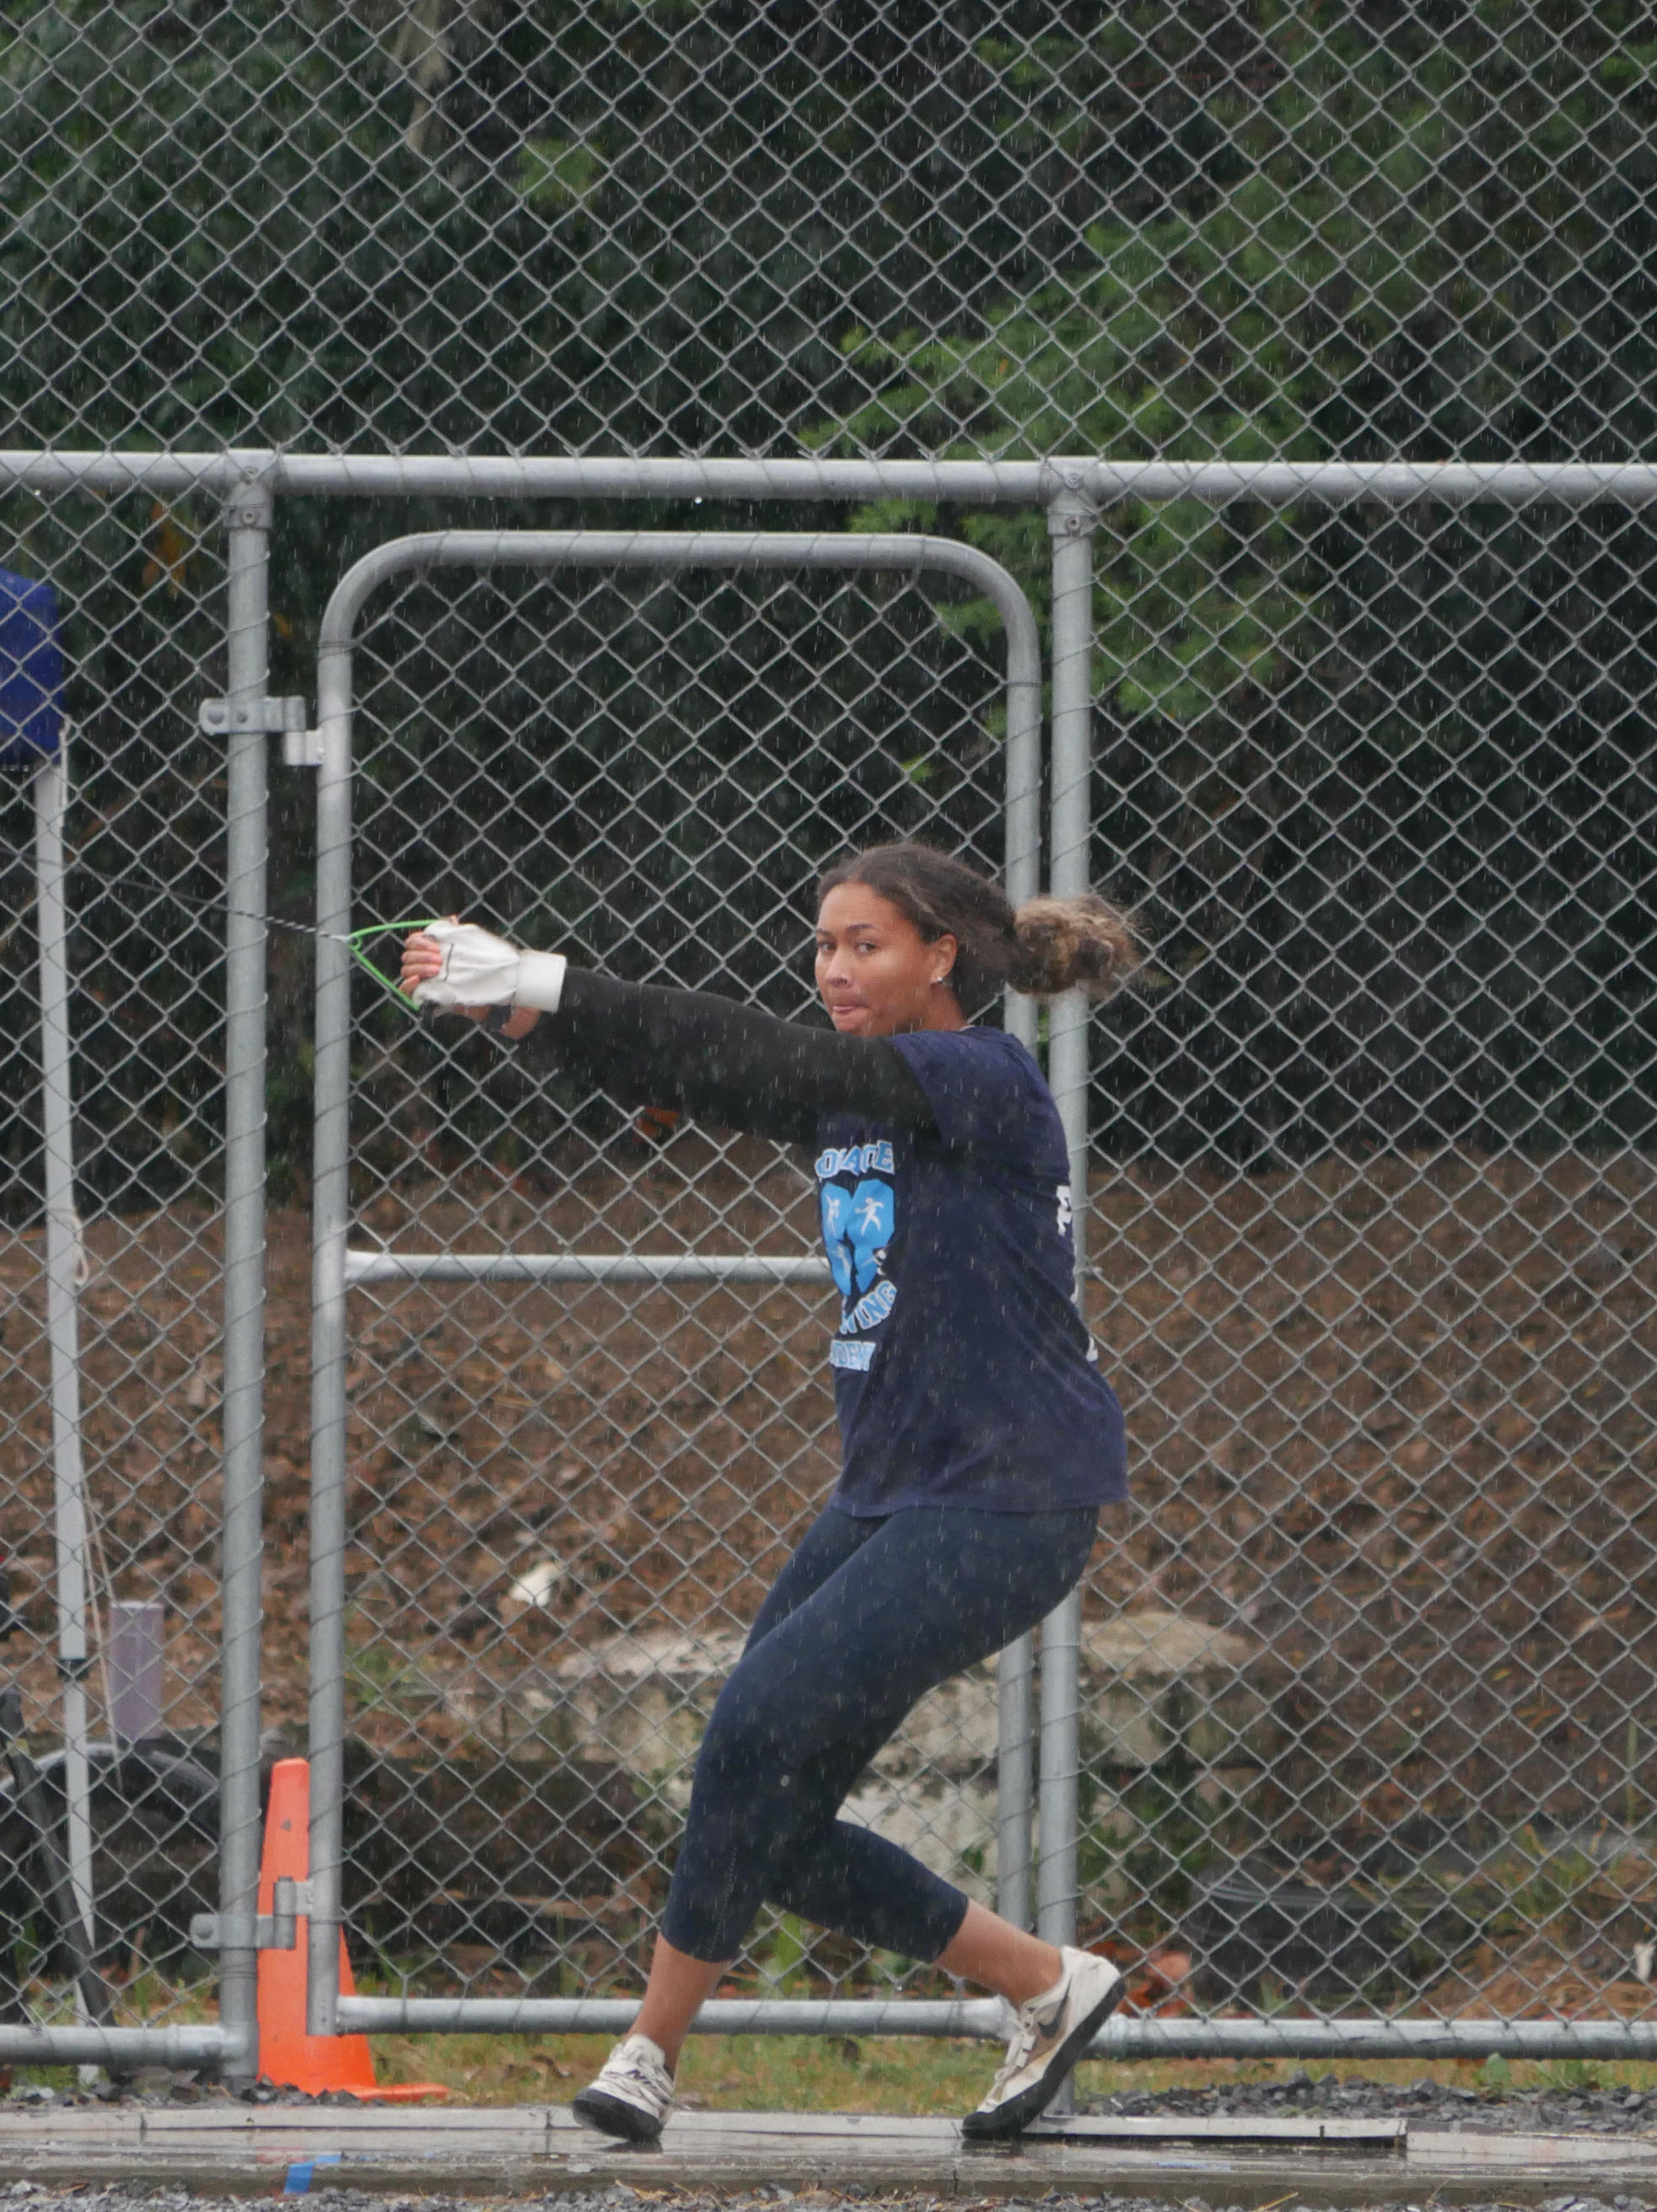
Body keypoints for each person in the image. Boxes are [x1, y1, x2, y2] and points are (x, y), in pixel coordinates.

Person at [397, 842, 1142, 2144]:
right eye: (824, 945)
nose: (834, 969)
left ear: (941, 957)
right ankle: (1038, 1984)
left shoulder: (979, 1075)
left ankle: (650, 2054)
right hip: (890, 1492)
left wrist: (550, 977)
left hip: (1009, 1498)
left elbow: (765, 1056)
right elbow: (701, 1069)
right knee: (764, 1809)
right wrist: (518, 1010)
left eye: (867, 945)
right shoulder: (859, 1094)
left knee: (747, 1730)